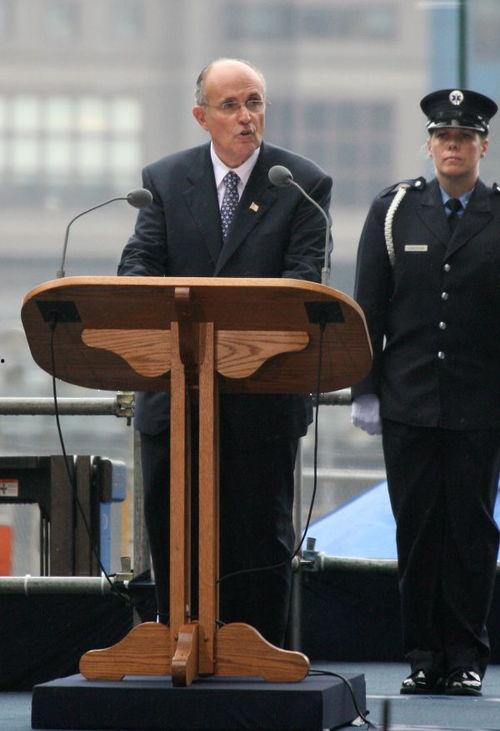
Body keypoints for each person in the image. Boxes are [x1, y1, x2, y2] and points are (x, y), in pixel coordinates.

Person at [118, 58, 332, 647]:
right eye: (231, 105)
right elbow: (140, 264)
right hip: (177, 394)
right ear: (201, 116)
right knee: (175, 533)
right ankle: (177, 644)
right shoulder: (164, 180)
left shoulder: (300, 183)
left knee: (258, 540)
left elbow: (301, 281)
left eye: (255, 102)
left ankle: (256, 657)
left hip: (261, 396)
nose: (246, 117)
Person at [351, 88, 500, 696]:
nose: (453, 146)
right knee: (415, 532)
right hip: (408, 402)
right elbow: (368, 305)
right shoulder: (394, 210)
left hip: (480, 405)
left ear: (483, 146)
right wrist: (364, 389)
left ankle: (465, 656)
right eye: (443, 137)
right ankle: (421, 655)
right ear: (429, 145)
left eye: (465, 137)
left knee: (471, 533)